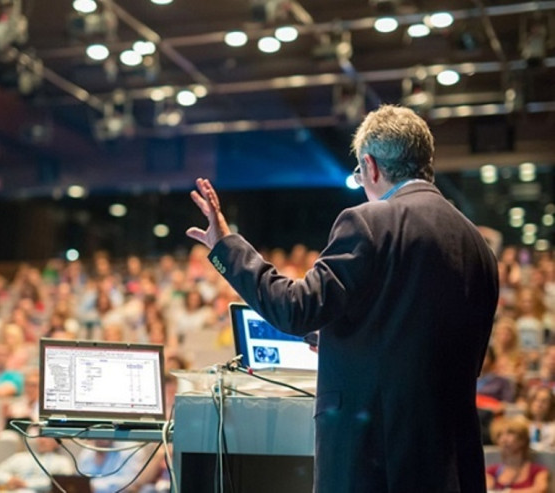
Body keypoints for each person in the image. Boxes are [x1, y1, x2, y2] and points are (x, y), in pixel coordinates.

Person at [186, 105, 499, 492]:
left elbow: (294, 309)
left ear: (370, 166)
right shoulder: (477, 245)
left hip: (374, 459)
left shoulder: (369, 221)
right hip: (450, 464)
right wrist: (338, 341)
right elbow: (438, 348)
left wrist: (226, 247)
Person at [0, 435, 74, 492]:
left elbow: (63, 484)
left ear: (58, 442)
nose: (42, 440)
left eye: (47, 437)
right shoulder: (21, 457)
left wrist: (26, 484)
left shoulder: (62, 461)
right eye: (41, 436)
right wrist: (9, 479)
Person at [485, 416, 549, 492]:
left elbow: (540, 490)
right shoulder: (491, 471)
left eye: (510, 434)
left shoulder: (538, 471)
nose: (503, 439)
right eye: (499, 435)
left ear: (522, 439)